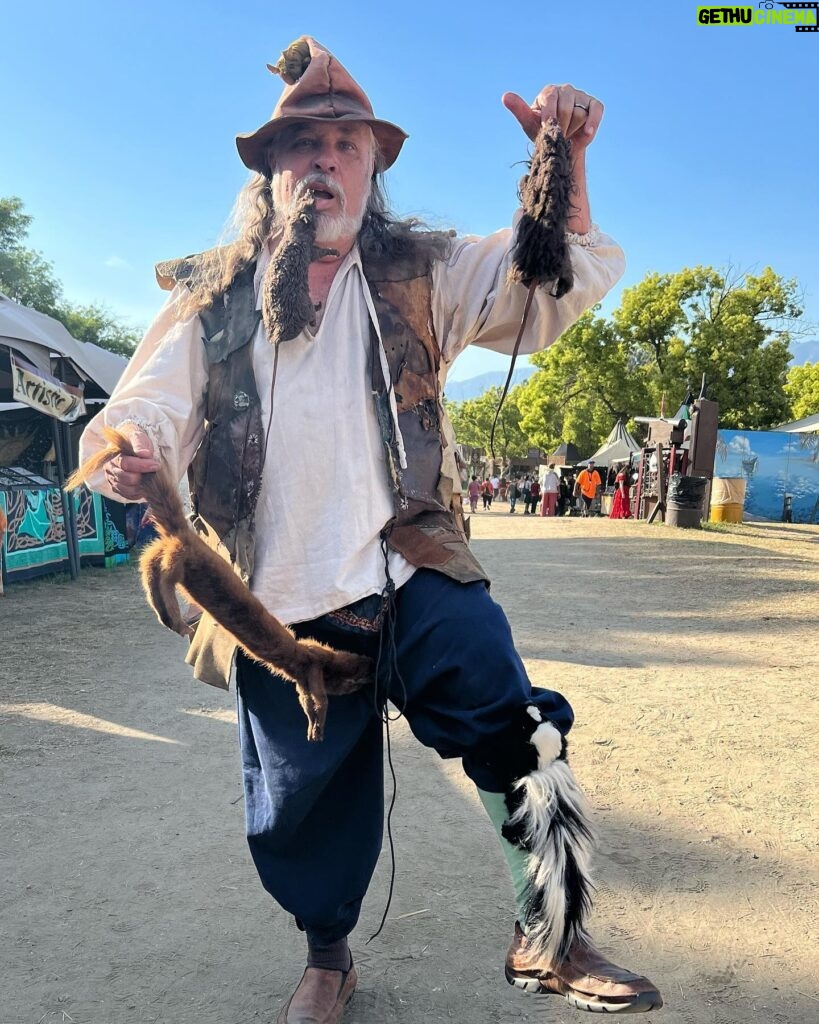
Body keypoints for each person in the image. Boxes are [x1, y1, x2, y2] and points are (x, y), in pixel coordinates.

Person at [78, 36, 660, 1022]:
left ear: (373, 165)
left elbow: (549, 282)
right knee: (299, 809)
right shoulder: (209, 298)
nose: (325, 160)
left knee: (519, 729)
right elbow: (146, 409)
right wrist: (130, 446)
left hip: (414, 570)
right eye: (303, 142)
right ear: (269, 168)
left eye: (348, 143)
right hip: (275, 603)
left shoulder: (422, 270)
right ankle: (328, 958)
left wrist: (565, 158)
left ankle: (552, 931)